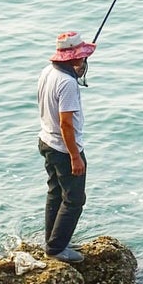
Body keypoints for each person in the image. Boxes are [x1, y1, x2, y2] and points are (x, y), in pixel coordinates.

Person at [38, 31, 96, 263]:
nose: (84, 62)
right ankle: (57, 249)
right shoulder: (67, 83)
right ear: (74, 59)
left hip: (46, 141)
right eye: (82, 57)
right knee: (74, 199)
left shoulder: (47, 72)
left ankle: (53, 240)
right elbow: (66, 123)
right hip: (63, 149)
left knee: (55, 192)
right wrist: (75, 156)